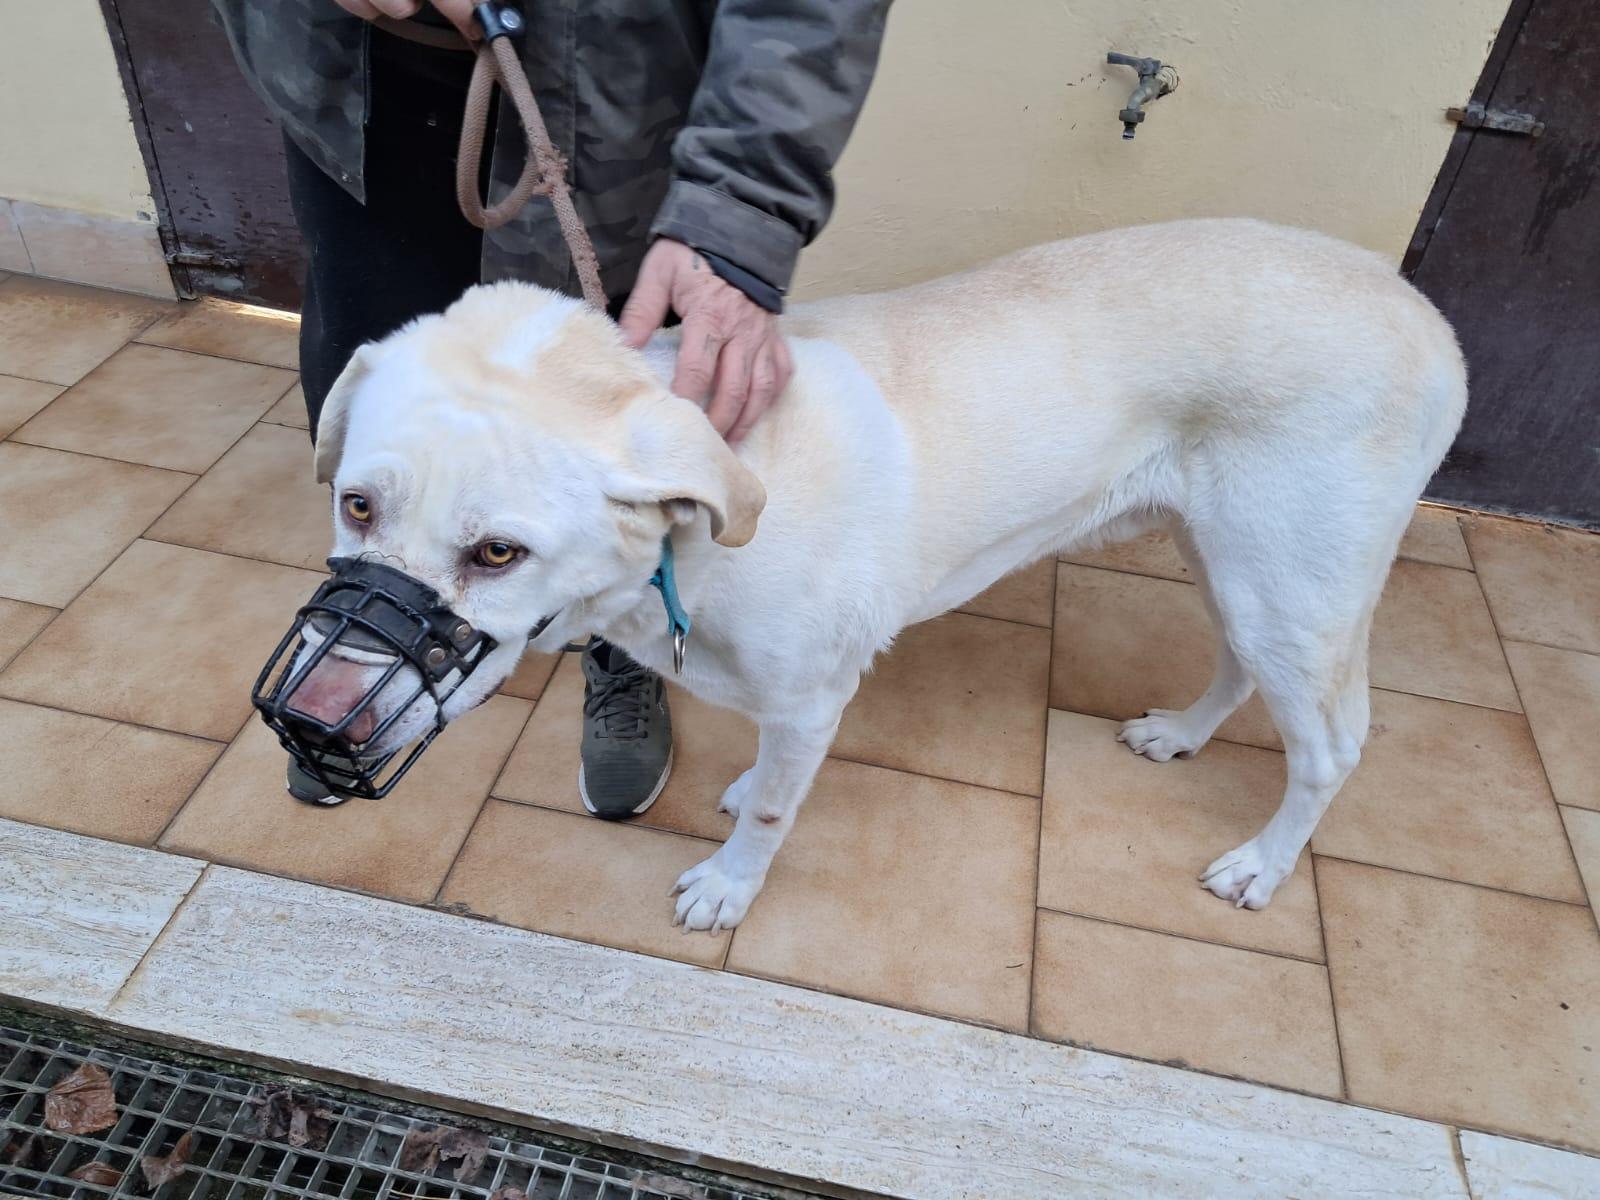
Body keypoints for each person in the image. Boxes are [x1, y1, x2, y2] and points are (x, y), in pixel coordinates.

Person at [214, 0, 890, 816]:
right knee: (404, 444)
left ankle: (622, 649)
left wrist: (743, 209)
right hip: (359, 76)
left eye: (493, 552)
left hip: (627, 93)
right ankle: (372, 619)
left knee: (602, 465)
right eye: (354, 507)